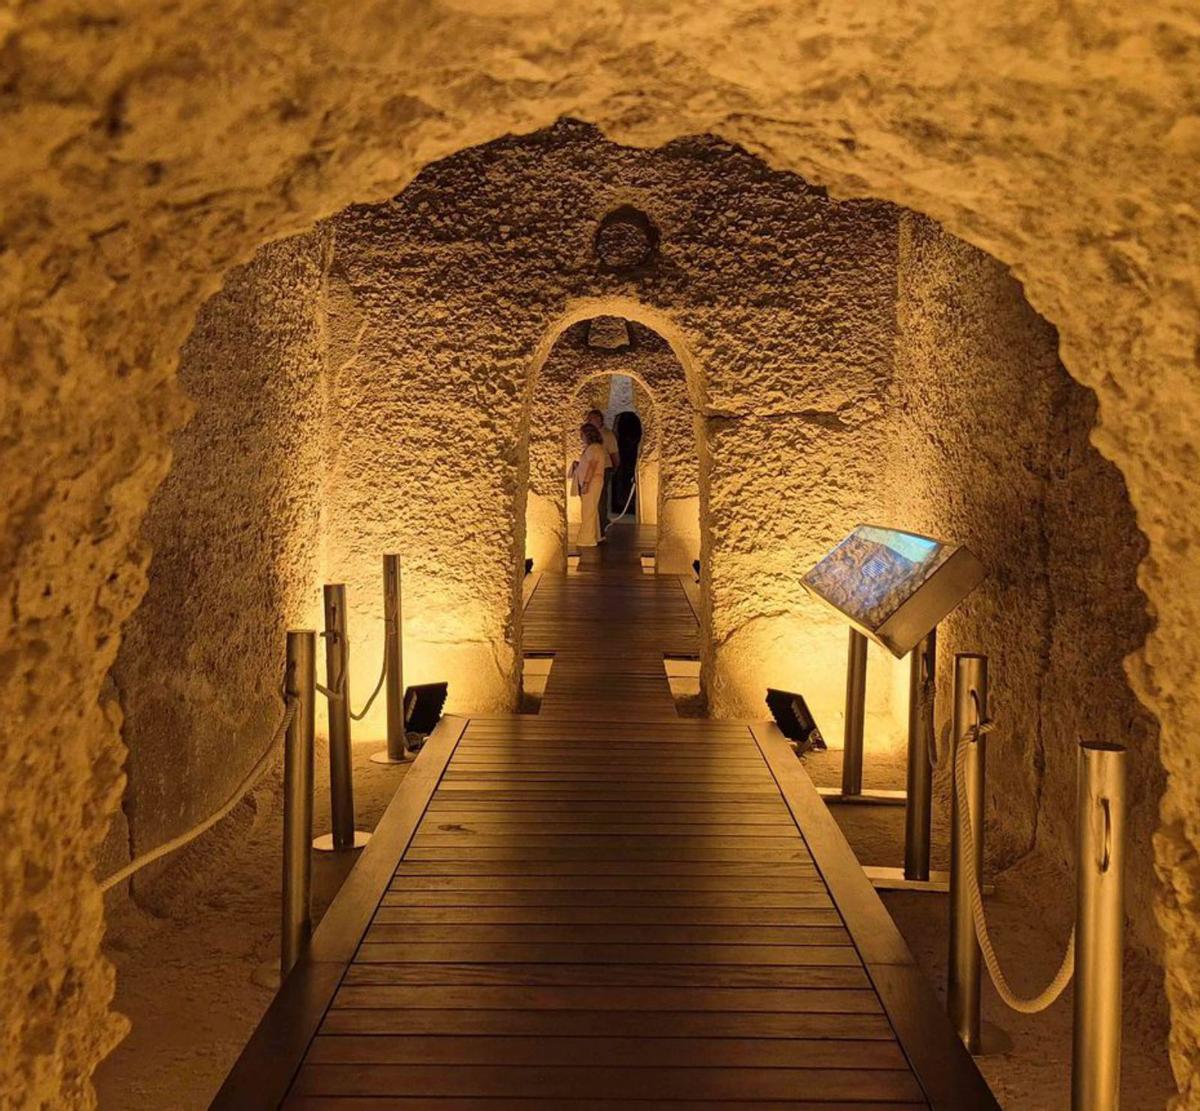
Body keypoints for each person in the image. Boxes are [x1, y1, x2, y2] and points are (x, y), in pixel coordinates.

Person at [570, 423, 607, 547]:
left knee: (588, 510)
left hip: (592, 482)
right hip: (593, 481)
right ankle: (595, 535)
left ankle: (587, 539)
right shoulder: (594, 448)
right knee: (592, 509)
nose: (581, 437)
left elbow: (592, 465)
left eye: (582, 434)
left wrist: (586, 483)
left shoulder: (594, 448)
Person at [587, 408, 620, 539]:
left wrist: (614, 468)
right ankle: (595, 527)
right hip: (592, 470)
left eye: (591, 419)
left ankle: (601, 527)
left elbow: (614, 454)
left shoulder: (607, 435)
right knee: (594, 499)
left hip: (604, 469)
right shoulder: (591, 434)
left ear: (599, 419)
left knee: (601, 499)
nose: (588, 421)